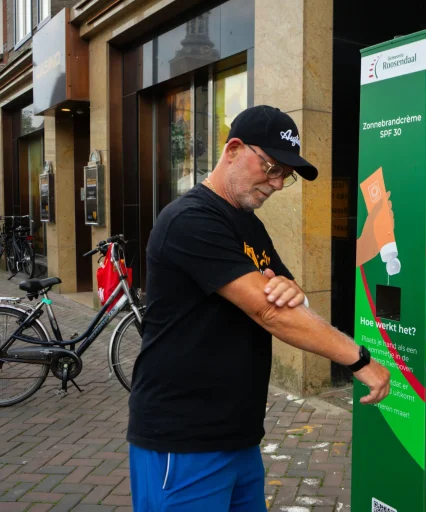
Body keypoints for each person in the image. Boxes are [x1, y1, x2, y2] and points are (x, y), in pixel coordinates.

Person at [127, 105, 391, 511]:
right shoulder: (190, 219)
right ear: (233, 149)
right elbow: (269, 311)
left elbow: (289, 294)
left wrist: (290, 287)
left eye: (286, 175)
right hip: (182, 439)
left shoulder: (248, 222)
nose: (278, 183)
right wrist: (359, 360)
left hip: (238, 436)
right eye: (271, 167)